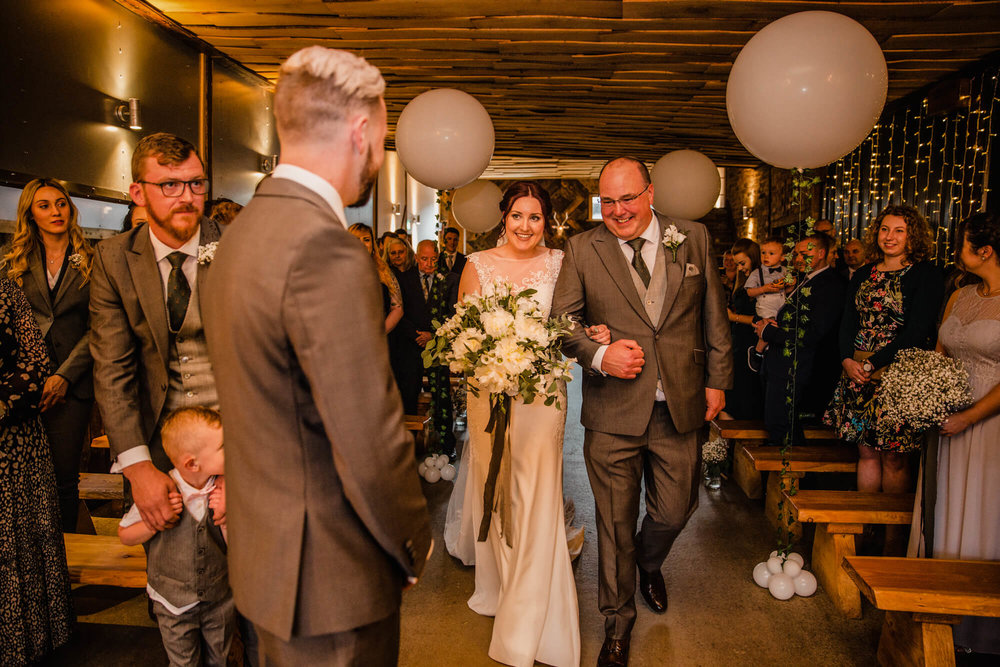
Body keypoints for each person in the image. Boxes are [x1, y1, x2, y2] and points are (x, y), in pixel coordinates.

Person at [203, 46, 431, 665]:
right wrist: (410, 539)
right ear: (361, 132)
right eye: (383, 137)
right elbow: (365, 433)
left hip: (270, 561)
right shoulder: (325, 250)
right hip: (332, 571)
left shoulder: (239, 239)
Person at [551, 157, 732, 667]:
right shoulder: (583, 248)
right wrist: (599, 353)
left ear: (650, 193)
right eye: (607, 201)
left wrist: (718, 379)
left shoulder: (691, 237)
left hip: (680, 402)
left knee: (677, 510)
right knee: (612, 522)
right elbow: (561, 324)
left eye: (627, 198)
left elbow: (713, 311)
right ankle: (616, 623)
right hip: (612, 411)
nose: (617, 210)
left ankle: (647, 560)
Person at [446, 180, 581, 667]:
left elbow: (573, 324)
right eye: (517, 216)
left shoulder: (561, 264)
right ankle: (504, 583)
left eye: (536, 217)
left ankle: (530, 611)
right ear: (504, 217)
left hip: (543, 393)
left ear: (548, 222)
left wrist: (594, 333)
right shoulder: (477, 264)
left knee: (538, 489)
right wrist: (486, 364)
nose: (525, 226)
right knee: (497, 486)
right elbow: (462, 333)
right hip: (489, 392)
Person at [90, 132, 223, 533]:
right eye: (169, 185)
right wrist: (138, 468)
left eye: (195, 183)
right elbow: (113, 369)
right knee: (172, 577)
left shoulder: (240, 246)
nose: (186, 196)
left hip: (237, 442)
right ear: (138, 193)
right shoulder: (113, 260)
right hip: (161, 444)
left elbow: (271, 364)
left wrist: (246, 467)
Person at [908, 211, 1000, 655]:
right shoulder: (960, 295)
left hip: (990, 424)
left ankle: (976, 630)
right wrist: (925, 395)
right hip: (945, 417)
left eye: (963, 243)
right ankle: (935, 611)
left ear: (984, 251)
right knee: (943, 504)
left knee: (984, 506)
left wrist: (970, 416)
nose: (956, 251)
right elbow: (940, 353)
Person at [824, 205, 944, 502]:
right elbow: (847, 322)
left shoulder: (925, 275)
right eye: (885, 229)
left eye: (899, 231)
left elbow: (917, 331)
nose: (889, 237)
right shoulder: (864, 273)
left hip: (896, 376)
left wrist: (870, 365)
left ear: (912, 235)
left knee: (893, 457)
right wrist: (847, 360)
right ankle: (864, 531)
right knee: (865, 453)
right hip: (856, 372)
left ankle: (890, 540)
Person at [2, 178, 95, 532]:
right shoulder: (13, 262)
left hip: (73, 384)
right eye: (44, 205)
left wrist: (64, 376)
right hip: (22, 384)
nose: (55, 211)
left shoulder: (94, 259)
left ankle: (66, 560)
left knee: (63, 477)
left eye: (61, 203)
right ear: (30, 213)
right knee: (23, 479)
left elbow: (98, 327)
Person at [118, 407, 233, 667]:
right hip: (173, 604)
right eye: (224, 446)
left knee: (220, 659)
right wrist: (154, 523)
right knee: (183, 663)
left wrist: (229, 514)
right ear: (192, 463)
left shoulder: (222, 490)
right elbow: (125, 535)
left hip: (219, 598)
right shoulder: (160, 493)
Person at [0, 278, 73, 665]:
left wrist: (3, 405)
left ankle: (26, 640)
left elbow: (35, 359)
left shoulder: (7, 290)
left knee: (18, 541)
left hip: (13, 438)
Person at [757, 233, 847, 447]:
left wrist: (768, 333)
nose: (796, 258)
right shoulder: (809, 280)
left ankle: (794, 479)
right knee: (778, 428)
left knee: (785, 434)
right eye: (795, 253)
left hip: (799, 368)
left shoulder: (830, 285)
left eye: (803, 254)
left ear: (821, 253)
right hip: (784, 367)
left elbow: (812, 332)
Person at [394, 240, 459, 454]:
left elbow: (453, 313)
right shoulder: (403, 280)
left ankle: (445, 445)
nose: (428, 263)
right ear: (416, 257)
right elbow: (398, 312)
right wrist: (416, 336)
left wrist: (433, 335)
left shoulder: (449, 280)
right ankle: (409, 447)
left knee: (441, 396)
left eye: (433, 259)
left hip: (437, 347)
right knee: (408, 396)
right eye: (424, 258)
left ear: (438, 257)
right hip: (410, 348)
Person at [724, 238, 764, 419]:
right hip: (738, 340)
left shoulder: (762, 281)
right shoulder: (743, 279)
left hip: (751, 341)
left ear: (753, 257)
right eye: (737, 264)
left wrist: (734, 317)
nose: (739, 268)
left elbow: (763, 319)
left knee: (744, 390)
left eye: (742, 263)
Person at [348, 222, 403, 332]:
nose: (362, 244)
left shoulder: (384, 271)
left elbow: (398, 309)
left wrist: (379, 333)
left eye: (366, 240)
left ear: (373, 244)